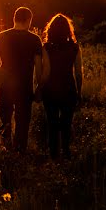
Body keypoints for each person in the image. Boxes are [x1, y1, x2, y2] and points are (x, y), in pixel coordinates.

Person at [0, 6, 43, 153]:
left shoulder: (1, 36)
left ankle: (7, 149)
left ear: (14, 19)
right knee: (23, 121)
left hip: (5, 85)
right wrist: (39, 88)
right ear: (29, 20)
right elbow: (39, 68)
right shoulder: (35, 39)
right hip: (25, 87)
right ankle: (20, 152)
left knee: (6, 119)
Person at [40, 13, 83, 159]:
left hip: (50, 90)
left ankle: (53, 154)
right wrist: (79, 91)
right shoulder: (75, 48)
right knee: (66, 122)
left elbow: (45, 72)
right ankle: (66, 151)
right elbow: (78, 73)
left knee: (52, 122)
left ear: (50, 30)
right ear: (67, 30)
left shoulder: (45, 47)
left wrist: (39, 89)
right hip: (69, 89)